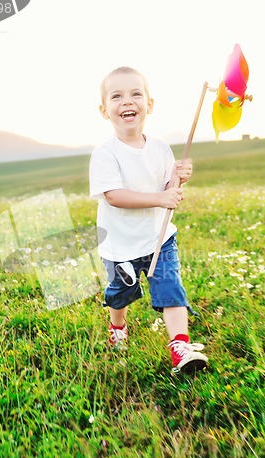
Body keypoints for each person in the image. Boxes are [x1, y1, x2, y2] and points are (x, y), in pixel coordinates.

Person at [89, 66, 208, 373]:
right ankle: (118, 327)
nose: (127, 101)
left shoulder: (161, 149)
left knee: (171, 289)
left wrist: (177, 180)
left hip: (159, 237)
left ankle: (180, 347)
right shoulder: (105, 154)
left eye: (136, 94)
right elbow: (114, 195)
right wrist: (160, 197)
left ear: (149, 105)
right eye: (116, 96)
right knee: (119, 295)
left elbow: (168, 193)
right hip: (120, 244)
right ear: (105, 111)